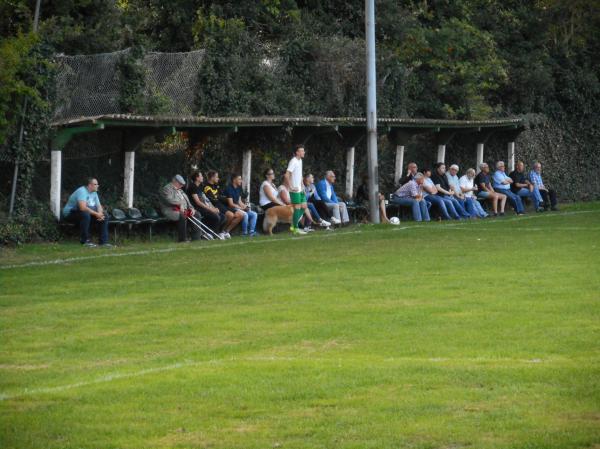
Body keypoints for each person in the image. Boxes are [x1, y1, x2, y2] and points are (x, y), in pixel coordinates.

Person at [62, 177, 112, 247]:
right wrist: (96, 214)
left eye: (97, 184)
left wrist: (100, 214)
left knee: (105, 216)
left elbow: (98, 206)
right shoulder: (82, 191)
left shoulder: (94, 192)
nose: (97, 186)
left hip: (83, 213)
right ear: (90, 185)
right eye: (95, 184)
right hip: (70, 213)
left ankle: (103, 242)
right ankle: (85, 241)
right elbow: (82, 208)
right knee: (85, 215)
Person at [159, 174, 200, 242]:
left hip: (183, 210)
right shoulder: (167, 189)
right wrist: (179, 203)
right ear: (174, 181)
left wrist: (191, 208)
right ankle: (182, 239)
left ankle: (196, 238)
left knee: (196, 214)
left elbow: (187, 201)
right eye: (180, 184)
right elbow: (169, 200)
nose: (181, 186)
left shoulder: (180, 190)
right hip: (170, 210)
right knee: (182, 215)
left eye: (182, 184)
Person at [203, 170, 242, 239]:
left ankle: (225, 231)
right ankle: (220, 232)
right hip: (216, 206)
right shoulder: (206, 187)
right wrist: (221, 198)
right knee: (230, 215)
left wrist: (221, 198)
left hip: (222, 204)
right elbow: (213, 199)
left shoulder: (216, 186)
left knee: (240, 215)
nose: (218, 178)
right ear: (212, 178)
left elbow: (221, 196)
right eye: (217, 177)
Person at [187, 171, 226, 238]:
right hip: (196, 208)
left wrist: (213, 208)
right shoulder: (193, 186)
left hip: (204, 207)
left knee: (223, 216)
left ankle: (212, 233)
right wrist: (211, 209)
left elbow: (206, 200)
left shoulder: (200, 186)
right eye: (201, 176)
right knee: (216, 217)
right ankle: (207, 233)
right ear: (197, 178)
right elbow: (198, 202)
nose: (202, 177)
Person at [284, 144, 308, 235]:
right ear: (297, 152)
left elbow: (300, 174)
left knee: (304, 206)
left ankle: (293, 224)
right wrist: (291, 187)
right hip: (294, 190)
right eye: (302, 151)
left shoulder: (300, 160)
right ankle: (295, 228)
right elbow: (286, 175)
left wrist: (302, 186)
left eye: (303, 150)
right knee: (297, 207)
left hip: (300, 189)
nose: (303, 152)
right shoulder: (293, 161)